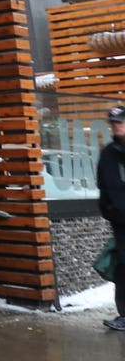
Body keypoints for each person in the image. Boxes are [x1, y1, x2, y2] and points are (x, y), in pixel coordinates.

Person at [97, 105, 125, 331]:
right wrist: (109, 210)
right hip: (121, 223)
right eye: (113, 123)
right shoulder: (108, 153)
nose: (116, 126)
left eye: (120, 122)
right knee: (123, 269)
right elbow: (103, 185)